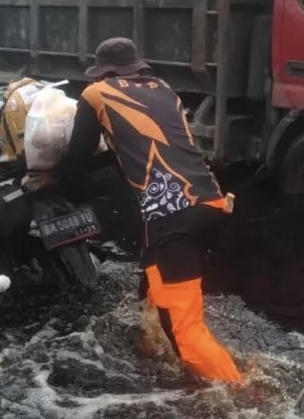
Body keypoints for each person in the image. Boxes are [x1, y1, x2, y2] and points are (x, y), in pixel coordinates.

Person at [55, 37, 242, 383]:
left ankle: (246, 395)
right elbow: (145, 144)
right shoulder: (164, 88)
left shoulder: (96, 94)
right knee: (153, 273)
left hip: (174, 214)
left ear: (104, 71)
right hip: (211, 200)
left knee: (186, 332)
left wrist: (51, 181)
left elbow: (77, 159)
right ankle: (152, 344)